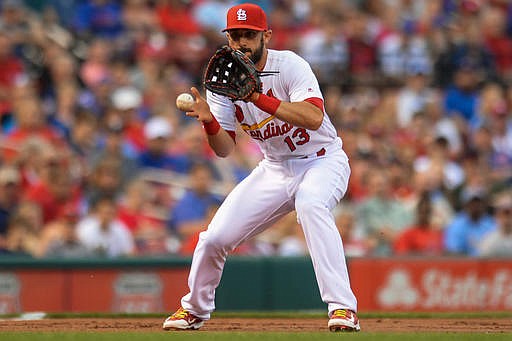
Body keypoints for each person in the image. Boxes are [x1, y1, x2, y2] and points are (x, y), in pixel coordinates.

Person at [162, 3, 360, 332]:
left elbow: (312, 117)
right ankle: (194, 310)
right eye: (235, 36)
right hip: (275, 168)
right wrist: (210, 122)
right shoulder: (222, 82)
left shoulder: (290, 65)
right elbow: (225, 149)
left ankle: (343, 308)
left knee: (311, 204)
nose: (241, 43)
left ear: (265, 35)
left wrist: (256, 97)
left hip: (322, 159)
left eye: (248, 35)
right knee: (214, 238)